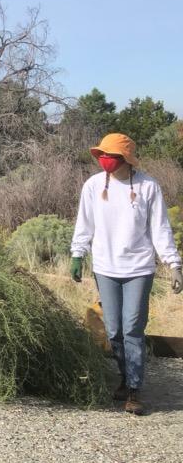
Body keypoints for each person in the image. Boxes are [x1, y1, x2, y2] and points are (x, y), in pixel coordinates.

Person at [70, 133, 183, 415]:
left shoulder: (148, 186)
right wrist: (77, 253)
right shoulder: (93, 185)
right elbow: (85, 222)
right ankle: (125, 376)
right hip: (105, 267)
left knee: (132, 326)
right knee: (114, 329)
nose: (105, 160)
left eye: (111, 155)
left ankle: (134, 390)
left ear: (126, 159)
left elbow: (160, 228)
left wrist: (173, 264)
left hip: (139, 268)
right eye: (102, 155)